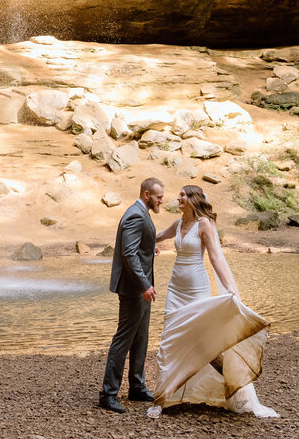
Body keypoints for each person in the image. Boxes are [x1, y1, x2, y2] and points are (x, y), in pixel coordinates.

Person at [149, 184, 278, 418]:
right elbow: (156, 237)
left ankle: (234, 388)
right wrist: (148, 243)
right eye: (179, 194)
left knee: (205, 345)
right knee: (168, 340)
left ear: (193, 199)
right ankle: (162, 398)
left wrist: (230, 289)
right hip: (175, 289)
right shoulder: (178, 224)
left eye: (182, 195)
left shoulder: (204, 224)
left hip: (196, 289)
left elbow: (216, 257)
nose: (178, 197)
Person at [99, 176, 164, 413]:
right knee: (124, 339)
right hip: (134, 288)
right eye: (158, 197)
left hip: (141, 288)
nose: (161, 202)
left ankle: (136, 387)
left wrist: (149, 246)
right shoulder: (136, 214)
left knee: (141, 338)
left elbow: (136, 246)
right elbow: (128, 253)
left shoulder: (141, 212)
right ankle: (108, 394)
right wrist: (144, 285)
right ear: (147, 195)